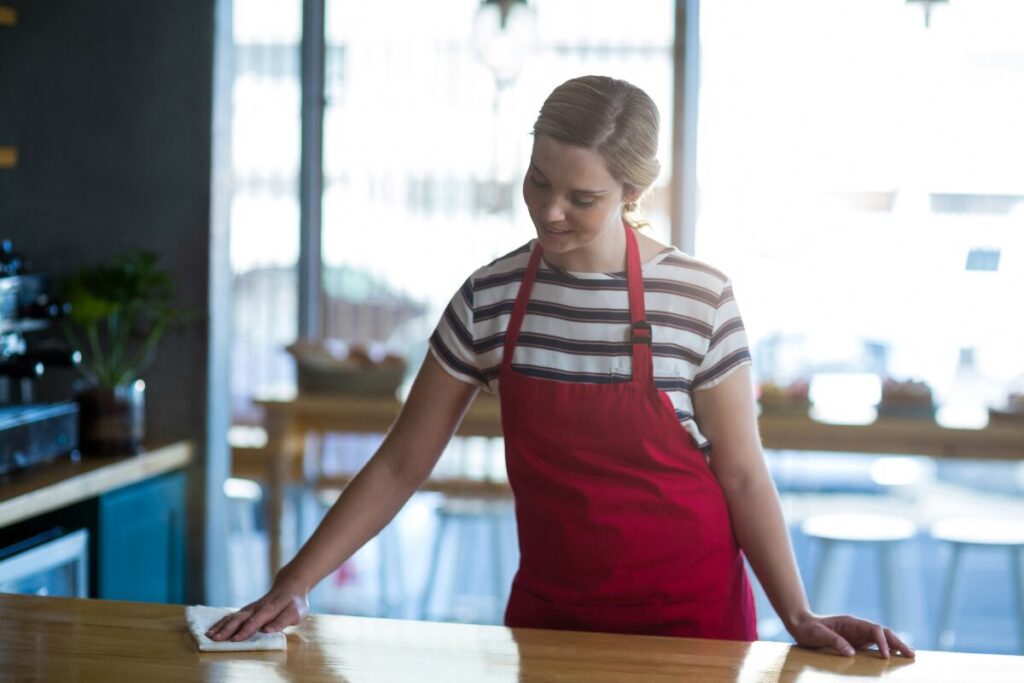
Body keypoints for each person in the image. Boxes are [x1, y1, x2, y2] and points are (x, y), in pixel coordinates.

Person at [209, 75, 914, 658]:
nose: (549, 211)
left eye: (582, 198)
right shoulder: (490, 297)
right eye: (538, 181)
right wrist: (294, 582)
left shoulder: (698, 297)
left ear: (632, 195)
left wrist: (797, 613)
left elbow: (742, 471)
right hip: (552, 622)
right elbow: (401, 463)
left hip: (693, 626)